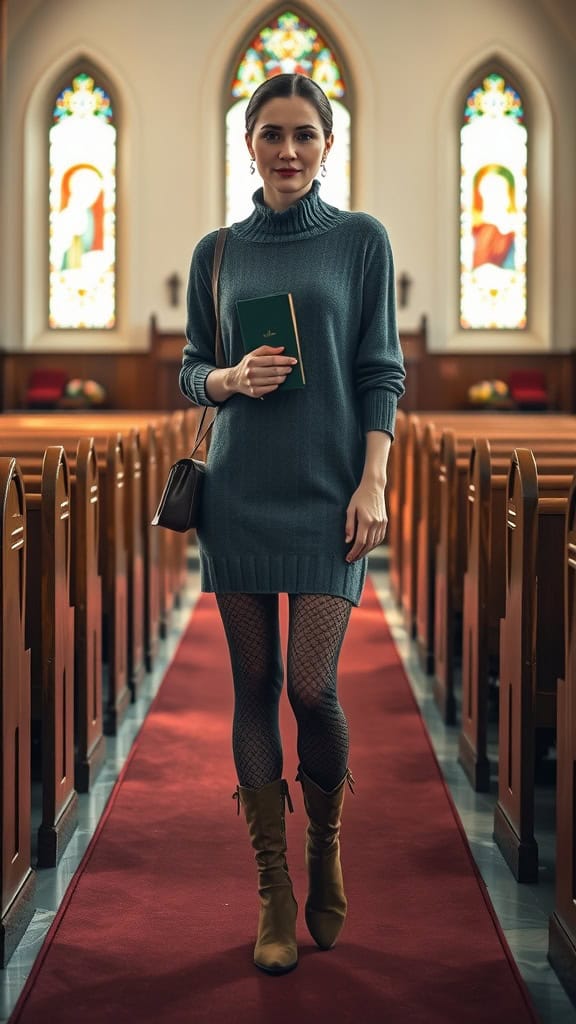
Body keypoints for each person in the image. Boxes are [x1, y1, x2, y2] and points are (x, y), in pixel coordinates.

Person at [179, 72, 405, 976]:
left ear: (326, 145)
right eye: (271, 135)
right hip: (237, 495)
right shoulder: (219, 251)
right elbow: (194, 367)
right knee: (253, 682)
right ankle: (272, 884)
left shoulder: (361, 243)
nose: (287, 150)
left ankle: (326, 841)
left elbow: (381, 370)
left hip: (326, 495)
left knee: (312, 688)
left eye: (304, 135)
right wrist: (228, 381)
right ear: (248, 145)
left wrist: (374, 482)